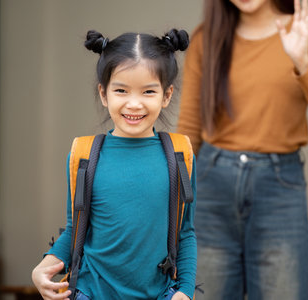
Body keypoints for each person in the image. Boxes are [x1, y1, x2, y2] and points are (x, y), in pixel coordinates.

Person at [177, 0, 308, 299]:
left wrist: (302, 61)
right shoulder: (206, 38)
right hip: (210, 186)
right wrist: (169, 202)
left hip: (280, 188)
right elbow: (188, 132)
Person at [32, 29, 197, 300]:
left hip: (158, 294)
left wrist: (185, 291)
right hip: (91, 292)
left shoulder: (180, 155)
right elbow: (75, 229)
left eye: (148, 91)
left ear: (166, 95)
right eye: (121, 90)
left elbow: (186, 233)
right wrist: (43, 267)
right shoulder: (84, 155)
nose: (134, 103)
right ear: (104, 93)